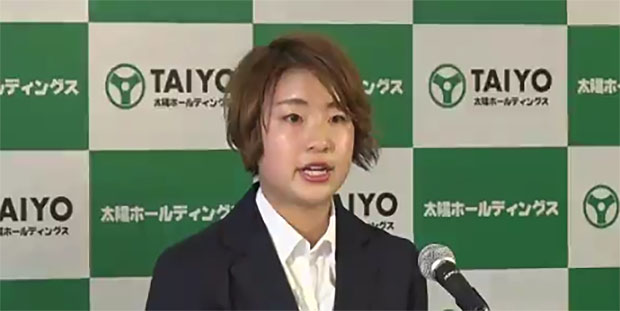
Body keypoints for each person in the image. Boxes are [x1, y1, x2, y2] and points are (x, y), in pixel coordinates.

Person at [145, 32, 428, 311]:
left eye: (337, 118)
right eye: (293, 118)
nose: (320, 141)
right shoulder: (189, 273)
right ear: (251, 130)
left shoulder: (397, 266)